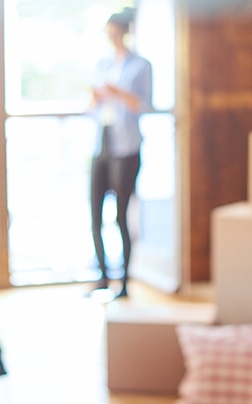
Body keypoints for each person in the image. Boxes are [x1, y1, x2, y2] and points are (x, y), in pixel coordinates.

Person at [88, 8, 153, 299]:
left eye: (116, 32)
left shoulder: (140, 65)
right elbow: (91, 107)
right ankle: (102, 277)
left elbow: (143, 105)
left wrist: (117, 93)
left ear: (126, 32)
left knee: (121, 216)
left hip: (126, 147)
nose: (112, 37)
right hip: (101, 142)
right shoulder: (101, 64)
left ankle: (125, 282)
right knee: (94, 213)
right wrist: (96, 97)